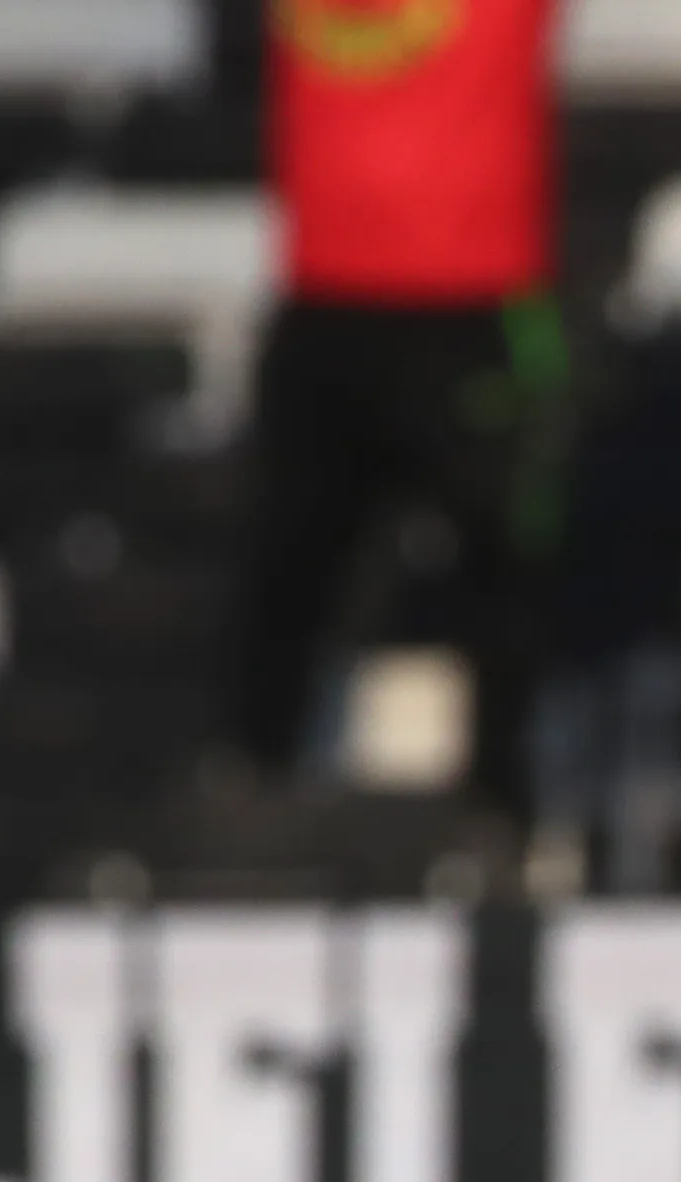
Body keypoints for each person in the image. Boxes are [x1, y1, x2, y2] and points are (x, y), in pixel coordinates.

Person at [228, 0, 569, 817]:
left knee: (504, 575)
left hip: (473, 298)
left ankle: (502, 814)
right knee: (287, 570)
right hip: (322, 303)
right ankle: (250, 798)